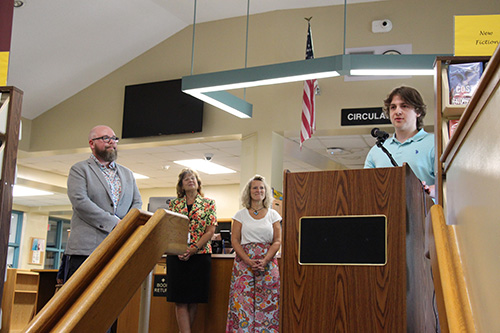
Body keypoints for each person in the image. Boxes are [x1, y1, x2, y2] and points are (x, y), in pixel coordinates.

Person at [65, 125, 142, 279]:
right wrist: (114, 223)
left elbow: (137, 203)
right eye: (105, 138)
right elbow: (80, 202)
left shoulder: (127, 174)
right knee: (79, 299)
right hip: (86, 250)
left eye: (114, 138)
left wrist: (126, 224)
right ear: (92, 143)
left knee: (111, 299)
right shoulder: (79, 169)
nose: (111, 142)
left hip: (118, 249)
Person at [226, 175, 282, 332]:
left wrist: (265, 260)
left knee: (268, 303)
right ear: (249, 192)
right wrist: (248, 260)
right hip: (244, 264)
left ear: (266, 192)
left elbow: (277, 241)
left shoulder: (274, 215)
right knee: (242, 303)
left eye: (262, 188)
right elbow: (235, 241)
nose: (259, 190)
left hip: (268, 263)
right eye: (255, 188)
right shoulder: (240, 215)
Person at [167, 168, 217, 333]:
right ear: (181, 185)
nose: (190, 180)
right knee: (180, 300)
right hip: (177, 255)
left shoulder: (209, 204)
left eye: (193, 178)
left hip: (200, 255)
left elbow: (210, 231)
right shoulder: (174, 204)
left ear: (198, 183)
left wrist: (194, 248)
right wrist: (180, 249)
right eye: (186, 179)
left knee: (194, 299)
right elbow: (171, 229)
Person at [364, 86, 435, 197]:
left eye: (404, 106)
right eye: (393, 107)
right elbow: (365, 187)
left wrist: (431, 190)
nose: (397, 111)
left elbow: (450, 184)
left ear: (418, 112)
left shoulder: (435, 144)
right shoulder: (377, 150)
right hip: (385, 213)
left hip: (423, 212)